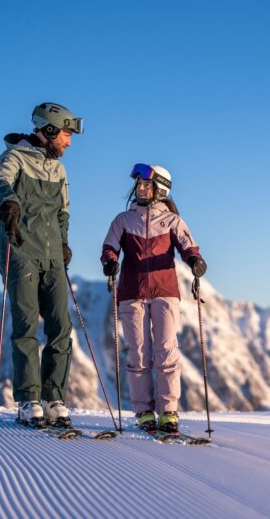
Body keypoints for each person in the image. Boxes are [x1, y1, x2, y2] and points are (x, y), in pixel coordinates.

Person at [0, 102, 83, 428]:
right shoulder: (13, 158)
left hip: (52, 255)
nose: (69, 142)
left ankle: (54, 396)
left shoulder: (59, 170)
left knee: (60, 326)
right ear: (51, 130)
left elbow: (63, 212)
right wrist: (9, 200)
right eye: (67, 134)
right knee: (26, 326)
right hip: (21, 252)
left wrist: (64, 241)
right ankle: (28, 401)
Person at [100, 164, 207, 434]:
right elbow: (109, 247)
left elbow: (188, 247)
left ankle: (168, 412)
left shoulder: (173, 221)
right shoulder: (123, 221)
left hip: (164, 292)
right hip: (131, 294)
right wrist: (110, 262)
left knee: (166, 350)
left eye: (146, 184)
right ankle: (144, 411)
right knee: (138, 353)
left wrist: (195, 261)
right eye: (139, 184)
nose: (141, 188)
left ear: (160, 189)